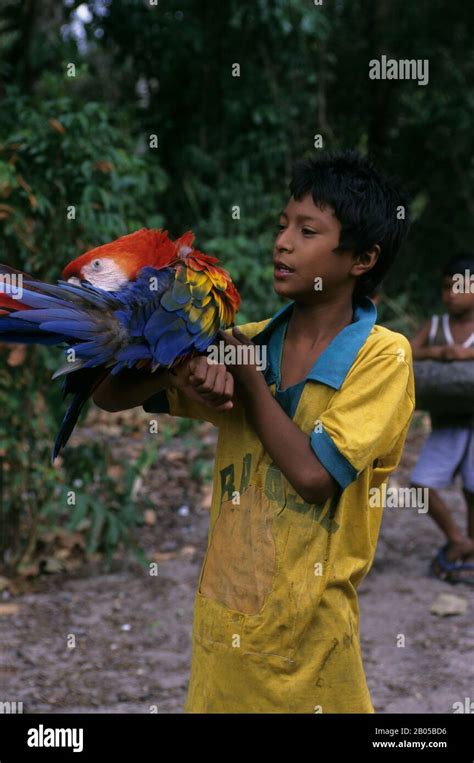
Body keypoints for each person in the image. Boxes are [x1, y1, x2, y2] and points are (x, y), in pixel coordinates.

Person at [93, 150, 414, 713]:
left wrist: (248, 380)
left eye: (307, 230)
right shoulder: (247, 340)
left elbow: (314, 476)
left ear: (362, 258)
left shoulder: (382, 356)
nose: (282, 243)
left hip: (316, 655)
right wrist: (178, 368)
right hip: (223, 640)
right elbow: (110, 395)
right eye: (281, 226)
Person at [410, 256, 474, 583]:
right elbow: (406, 351)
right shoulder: (435, 326)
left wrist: (466, 354)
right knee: (420, 485)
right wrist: (436, 353)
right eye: (446, 287)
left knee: (473, 489)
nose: (451, 294)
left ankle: (469, 548)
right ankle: (458, 540)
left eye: (459, 287)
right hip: (447, 422)